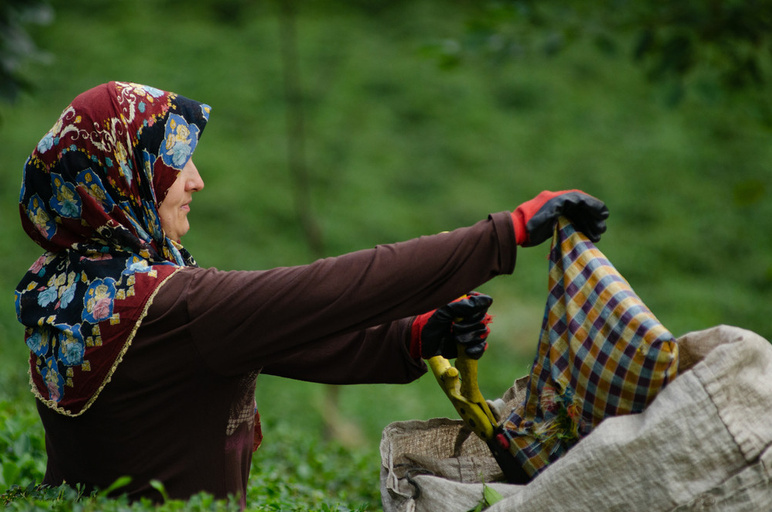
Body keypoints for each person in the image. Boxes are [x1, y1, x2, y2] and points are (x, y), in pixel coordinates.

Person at [14, 81, 608, 507]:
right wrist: (506, 233)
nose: (197, 180)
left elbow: (271, 343)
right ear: (123, 178)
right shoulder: (174, 304)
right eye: (174, 163)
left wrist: (415, 336)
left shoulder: (66, 287)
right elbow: (334, 291)